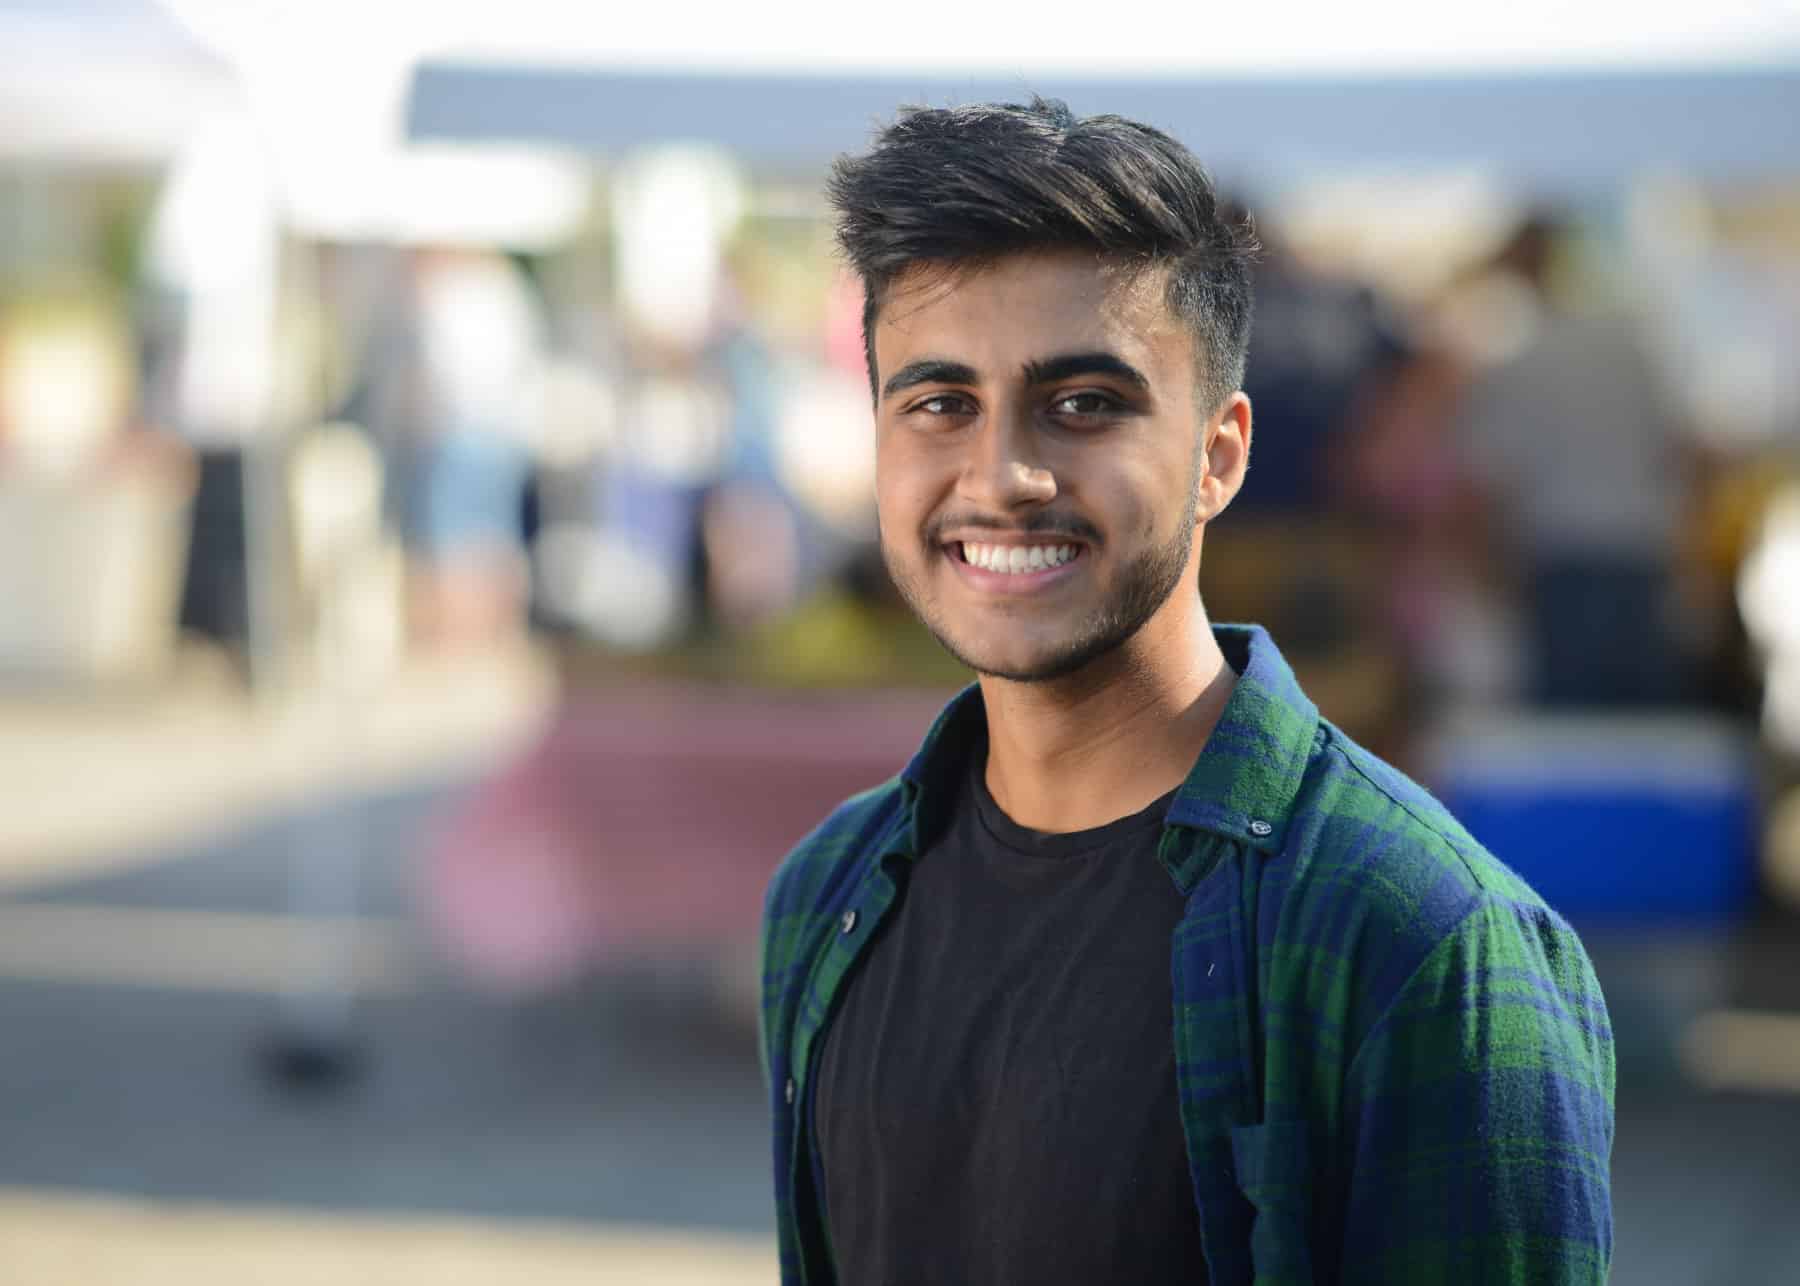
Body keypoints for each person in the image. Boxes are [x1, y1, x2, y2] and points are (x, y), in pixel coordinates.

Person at [759, 98, 1614, 1285]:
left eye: (1086, 403)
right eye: (939, 402)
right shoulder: (829, 897)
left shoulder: (1420, 938)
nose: (1002, 475)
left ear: (1220, 453)